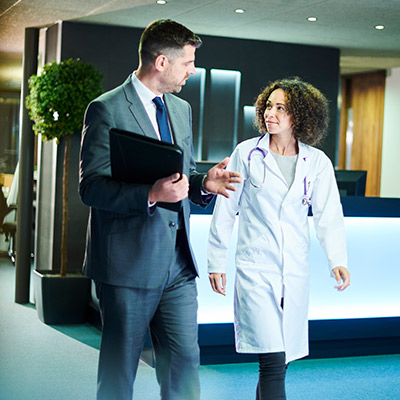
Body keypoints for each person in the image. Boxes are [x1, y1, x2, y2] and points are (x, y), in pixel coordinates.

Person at [79, 19, 241, 400]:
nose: (193, 70)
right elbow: (91, 188)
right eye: (187, 63)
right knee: (120, 371)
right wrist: (150, 194)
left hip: (178, 267)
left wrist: (204, 184)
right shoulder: (106, 109)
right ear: (162, 62)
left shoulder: (181, 109)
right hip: (126, 266)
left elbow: (180, 174)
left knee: (185, 363)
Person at [207, 77, 350, 399]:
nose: (270, 113)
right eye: (269, 106)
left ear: (300, 115)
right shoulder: (246, 153)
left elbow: (329, 215)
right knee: (271, 359)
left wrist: (337, 260)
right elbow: (225, 212)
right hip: (256, 269)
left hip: (294, 270)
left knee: (280, 359)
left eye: (281, 108)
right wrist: (217, 262)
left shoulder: (316, 162)